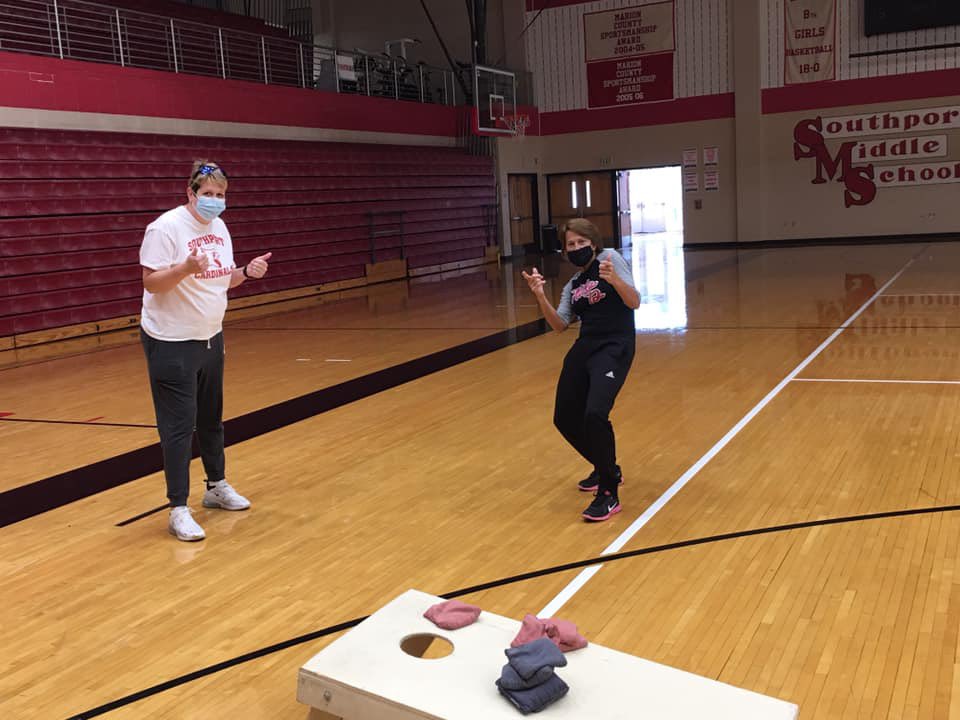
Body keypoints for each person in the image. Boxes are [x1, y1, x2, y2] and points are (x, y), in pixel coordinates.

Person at [139, 161, 272, 541]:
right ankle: (178, 508)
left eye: (220, 195)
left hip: (211, 336)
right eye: (208, 194)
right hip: (171, 341)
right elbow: (152, 283)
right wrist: (183, 268)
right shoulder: (165, 228)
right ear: (190, 193)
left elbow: (220, 280)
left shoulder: (220, 227)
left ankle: (216, 486)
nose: (214, 201)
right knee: (179, 427)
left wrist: (246, 272)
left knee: (212, 418)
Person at [521, 218, 639, 522]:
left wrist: (615, 281)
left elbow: (634, 302)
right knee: (564, 417)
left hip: (615, 347)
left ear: (593, 242)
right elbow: (560, 325)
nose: (575, 248)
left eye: (580, 242)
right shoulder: (573, 284)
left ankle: (609, 493)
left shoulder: (610, 261)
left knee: (595, 414)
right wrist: (539, 296)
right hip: (585, 348)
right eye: (570, 244)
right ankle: (606, 467)